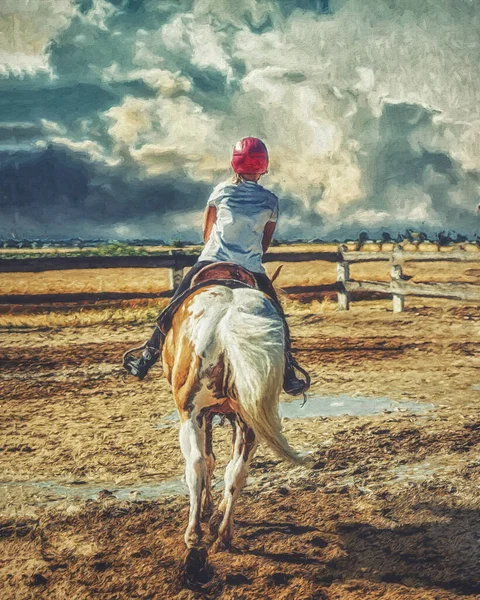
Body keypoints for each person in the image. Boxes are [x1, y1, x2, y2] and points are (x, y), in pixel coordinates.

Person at [123, 137, 309, 396]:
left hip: (212, 260)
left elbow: (206, 232)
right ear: (264, 167)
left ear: (234, 165)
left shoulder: (221, 190)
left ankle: (147, 355)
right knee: (277, 315)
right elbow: (265, 242)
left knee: (174, 305)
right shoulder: (270, 200)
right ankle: (288, 371)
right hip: (250, 266)